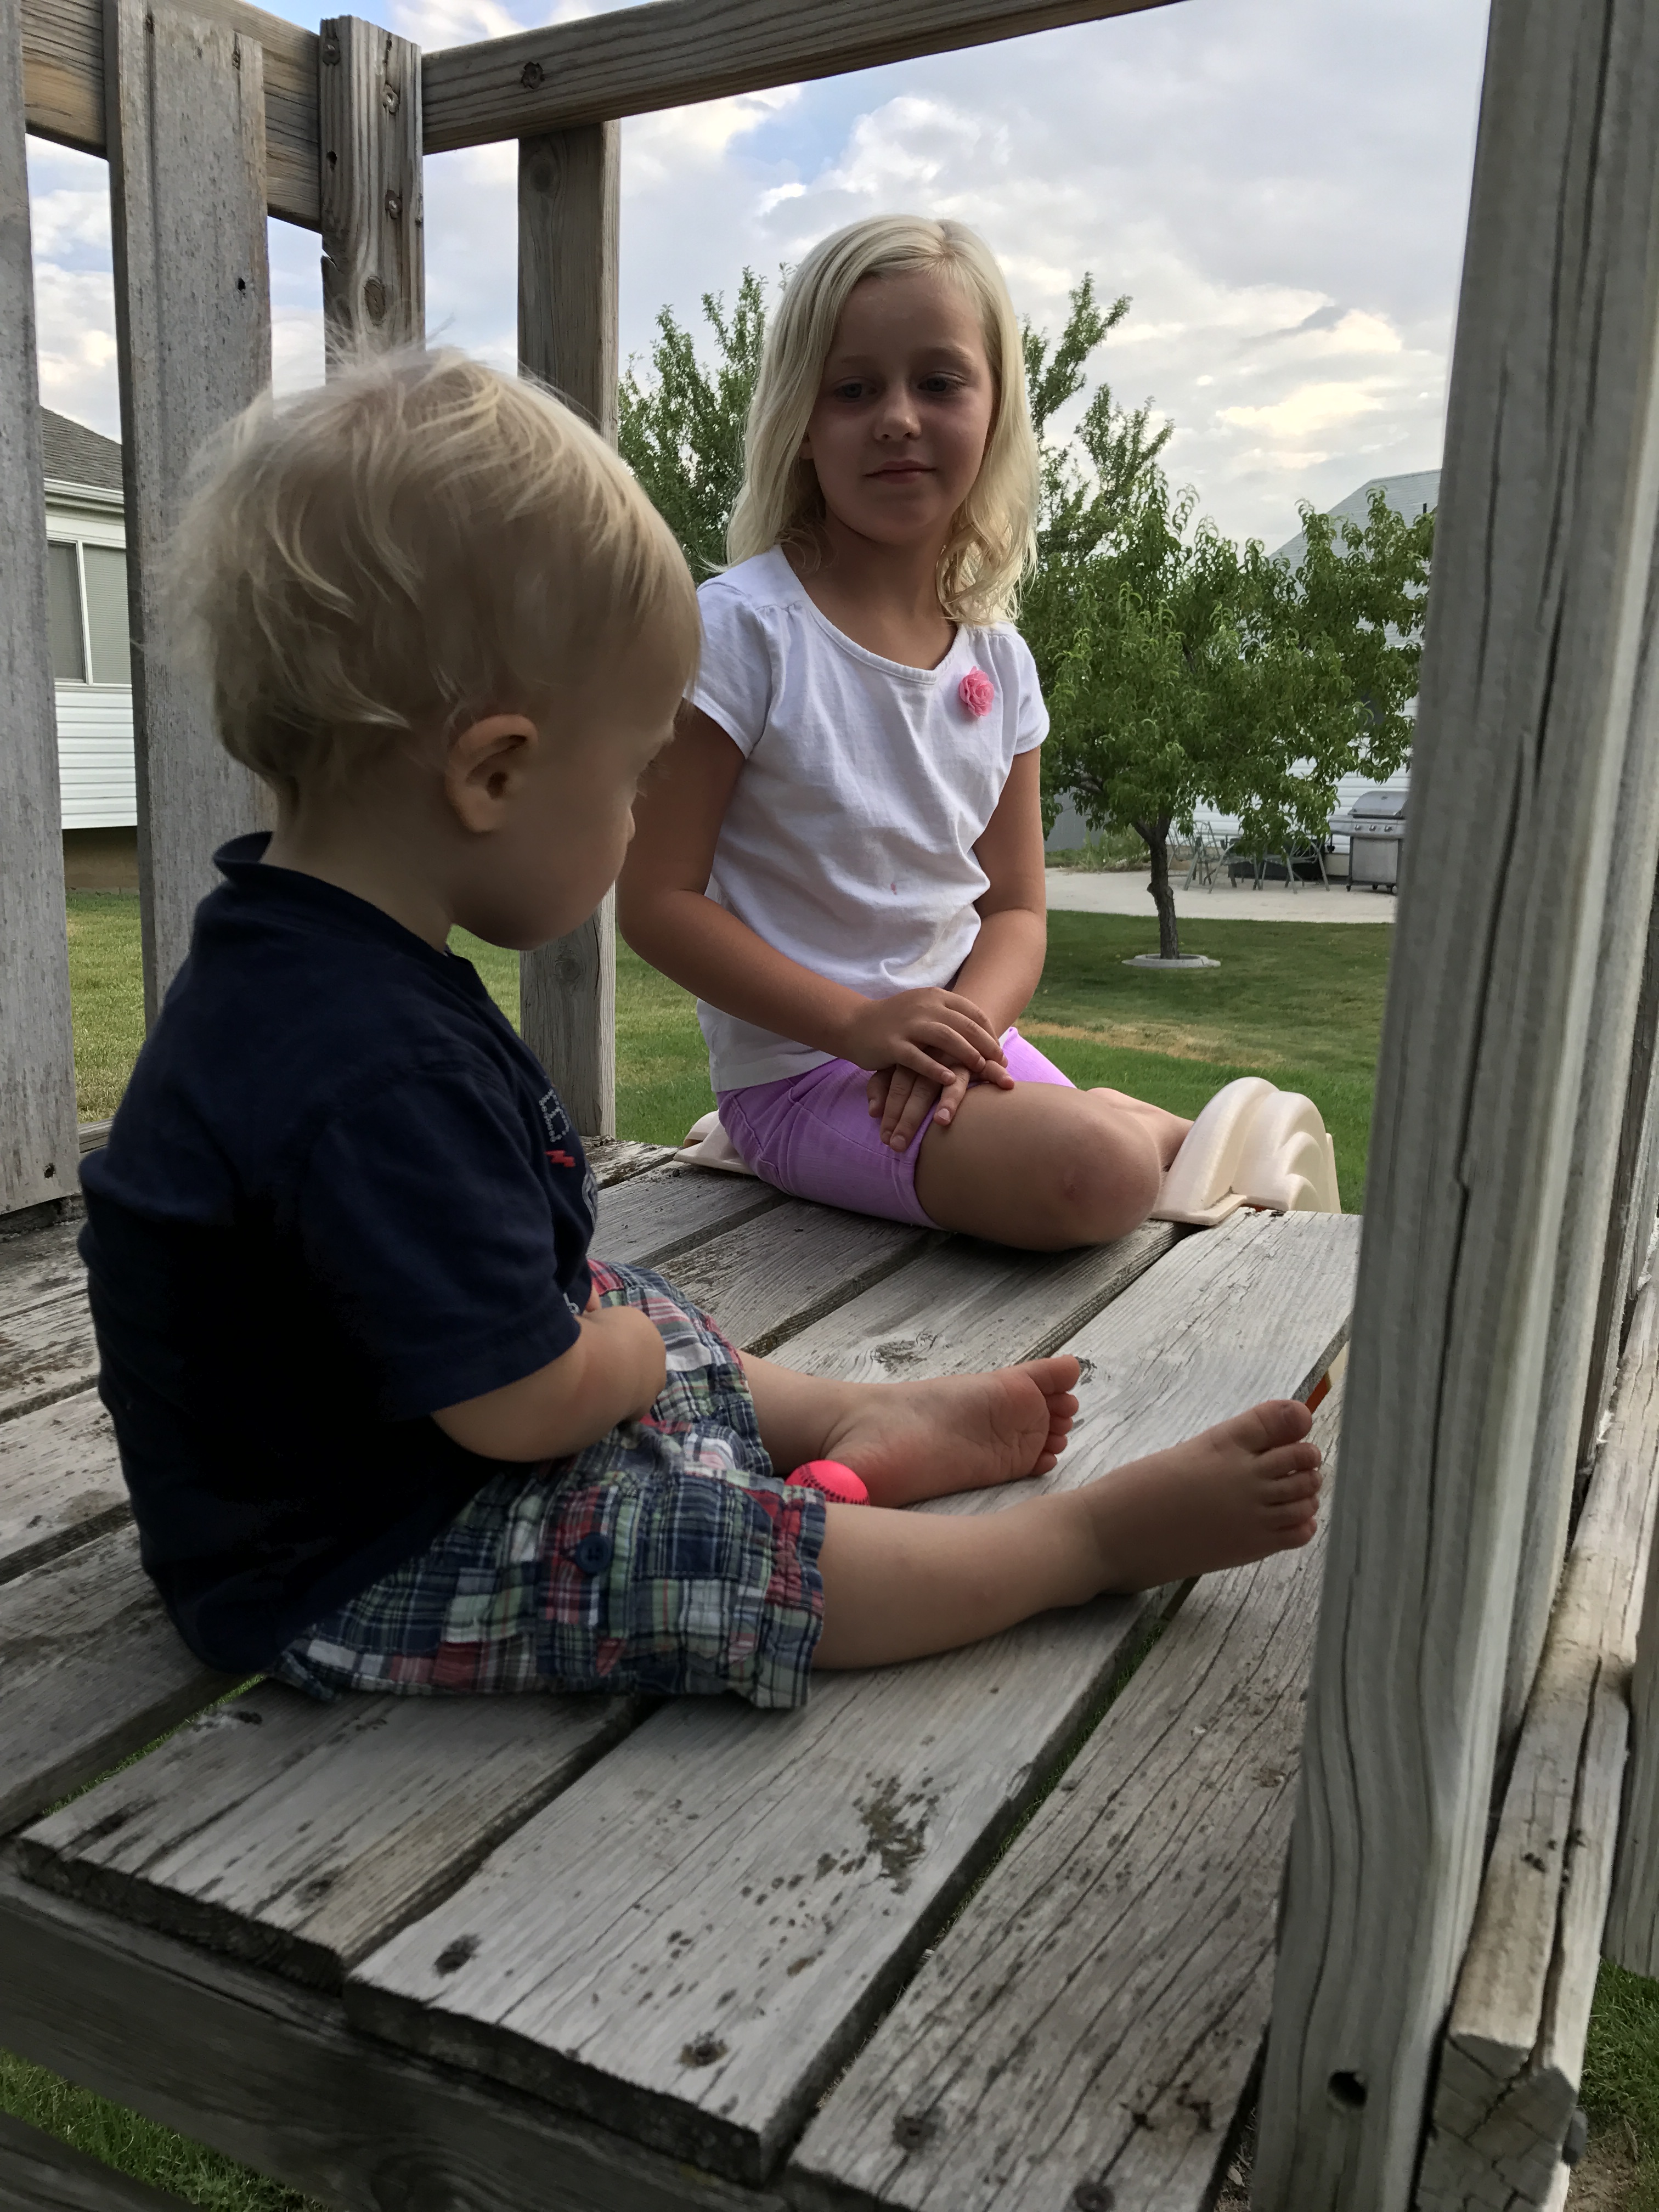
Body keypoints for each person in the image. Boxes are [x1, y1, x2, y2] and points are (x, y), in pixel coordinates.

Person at [77, 349, 1321, 1714]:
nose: (636, 824)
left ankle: (856, 1417)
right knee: (709, 1549)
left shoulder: (303, 962)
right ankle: (1070, 1549)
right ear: (494, 774)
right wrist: (600, 1364)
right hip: (348, 1557)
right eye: (630, 779)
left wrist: (604, 1339)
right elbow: (518, 1408)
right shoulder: (372, 1064)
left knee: (629, 1309)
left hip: (395, 1439)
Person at [618, 215, 1191, 1252]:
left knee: (1190, 1166)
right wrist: (860, 1026)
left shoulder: (999, 662)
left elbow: (1015, 907)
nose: (896, 418)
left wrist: (962, 1036)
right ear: (800, 419)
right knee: (1108, 1171)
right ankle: (1107, 1123)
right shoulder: (744, 632)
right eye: (852, 389)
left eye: (938, 382)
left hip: (957, 1057)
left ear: (996, 408)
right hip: (803, 1075)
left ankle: (1108, 1121)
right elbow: (657, 901)